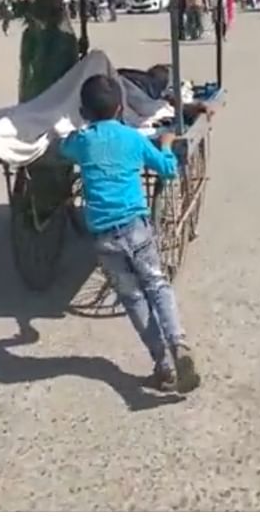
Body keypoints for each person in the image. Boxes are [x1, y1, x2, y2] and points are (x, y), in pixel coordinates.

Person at [59, 74, 200, 393]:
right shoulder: (133, 138)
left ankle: (162, 365)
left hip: (104, 238)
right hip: (136, 229)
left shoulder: (82, 141)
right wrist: (164, 146)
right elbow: (167, 169)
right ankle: (178, 343)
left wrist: (72, 135)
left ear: (84, 111)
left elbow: (64, 147)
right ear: (121, 107)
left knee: (134, 297)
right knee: (157, 284)